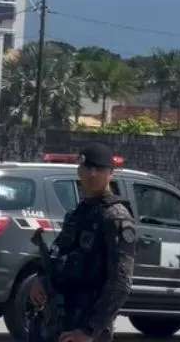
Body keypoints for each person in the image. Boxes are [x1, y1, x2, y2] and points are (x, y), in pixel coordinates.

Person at [28, 142, 135, 342]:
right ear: (79, 171)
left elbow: (121, 282)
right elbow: (59, 255)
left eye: (99, 169)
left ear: (111, 173)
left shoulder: (115, 217)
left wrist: (90, 330)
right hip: (61, 318)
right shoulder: (78, 213)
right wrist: (40, 279)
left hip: (87, 326)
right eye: (87, 168)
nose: (92, 174)